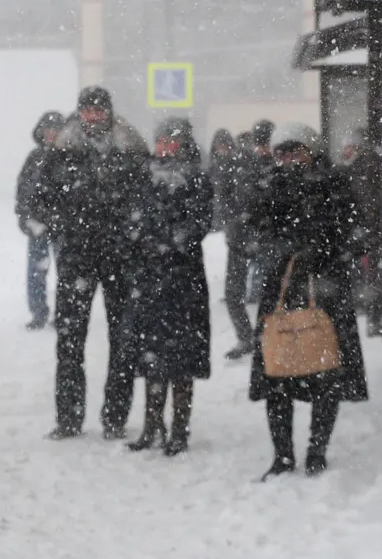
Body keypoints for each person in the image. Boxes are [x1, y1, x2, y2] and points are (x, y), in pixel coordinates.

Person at [245, 123, 367, 479]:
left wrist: (324, 252)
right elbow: (253, 231)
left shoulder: (335, 184)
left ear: (312, 150)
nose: (289, 160)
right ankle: (283, 455)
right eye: (282, 153)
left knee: (325, 375)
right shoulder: (269, 185)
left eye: (295, 151)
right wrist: (282, 251)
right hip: (282, 291)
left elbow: (356, 234)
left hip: (325, 290)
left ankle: (317, 450)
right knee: (277, 374)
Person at [37, 86, 148, 439]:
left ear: (109, 112)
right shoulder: (62, 151)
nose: (94, 116)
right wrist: (62, 226)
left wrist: (132, 230)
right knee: (70, 340)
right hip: (77, 256)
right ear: (80, 112)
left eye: (99, 110)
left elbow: (145, 197)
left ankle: (115, 418)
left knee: (124, 339)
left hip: (120, 256)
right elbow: (41, 197)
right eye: (88, 110)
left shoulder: (130, 147)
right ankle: (68, 418)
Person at [124, 116, 214, 455]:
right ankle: (151, 425)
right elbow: (132, 216)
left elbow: (200, 221)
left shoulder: (197, 179)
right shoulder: (144, 176)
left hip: (183, 279)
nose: (164, 146)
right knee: (151, 357)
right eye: (160, 140)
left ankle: (180, 428)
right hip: (149, 279)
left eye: (171, 140)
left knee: (182, 358)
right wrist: (143, 240)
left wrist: (173, 242)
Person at [221, 123, 277, 360]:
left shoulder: (275, 169)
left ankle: (265, 338)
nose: (262, 150)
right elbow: (227, 196)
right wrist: (233, 223)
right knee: (234, 294)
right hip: (243, 238)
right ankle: (247, 337)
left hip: (263, 239)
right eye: (260, 144)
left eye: (265, 144)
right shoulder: (242, 165)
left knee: (269, 294)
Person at [16, 110, 65, 329]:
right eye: (48, 130)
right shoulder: (34, 158)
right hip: (38, 226)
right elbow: (23, 190)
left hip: (65, 225)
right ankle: (38, 313)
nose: (51, 134)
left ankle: (64, 314)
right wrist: (25, 217)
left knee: (66, 273)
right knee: (36, 272)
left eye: (56, 130)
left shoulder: (70, 158)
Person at [207, 128, 238, 232]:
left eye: (224, 144)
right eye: (220, 144)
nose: (222, 147)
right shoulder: (211, 166)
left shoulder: (235, 165)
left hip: (230, 211)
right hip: (217, 210)